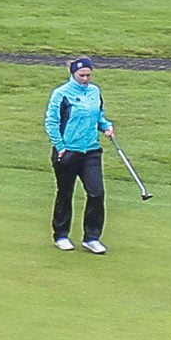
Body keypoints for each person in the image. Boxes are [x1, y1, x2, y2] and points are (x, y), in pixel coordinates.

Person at [44, 57, 114, 253]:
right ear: (73, 74)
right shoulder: (61, 94)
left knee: (96, 193)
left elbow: (98, 116)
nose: (85, 79)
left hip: (91, 150)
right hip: (67, 151)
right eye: (81, 75)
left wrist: (106, 126)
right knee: (65, 193)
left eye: (88, 75)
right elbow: (51, 122)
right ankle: (61, 235)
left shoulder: (95, 92)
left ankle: (92, 237)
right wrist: (60, 146)